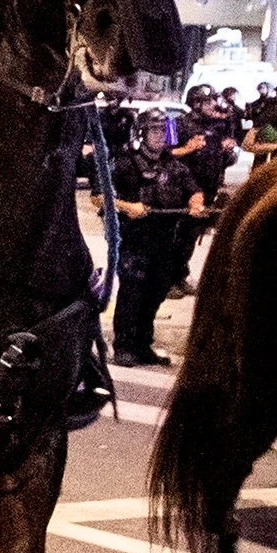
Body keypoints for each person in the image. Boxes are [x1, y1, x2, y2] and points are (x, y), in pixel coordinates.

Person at [106, 108, 213, 367]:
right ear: (141, 133)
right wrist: (128, 206)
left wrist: (196, 203)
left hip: (165, 241)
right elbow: (100, 196)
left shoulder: (175, 165)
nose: (161, 135)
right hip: (134, 239)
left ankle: (143, 345)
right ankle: (124, 346)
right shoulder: (123, 162)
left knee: (155, 293)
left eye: (164, 130)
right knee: (132, 293)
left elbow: (194, 190)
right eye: (155, 130)